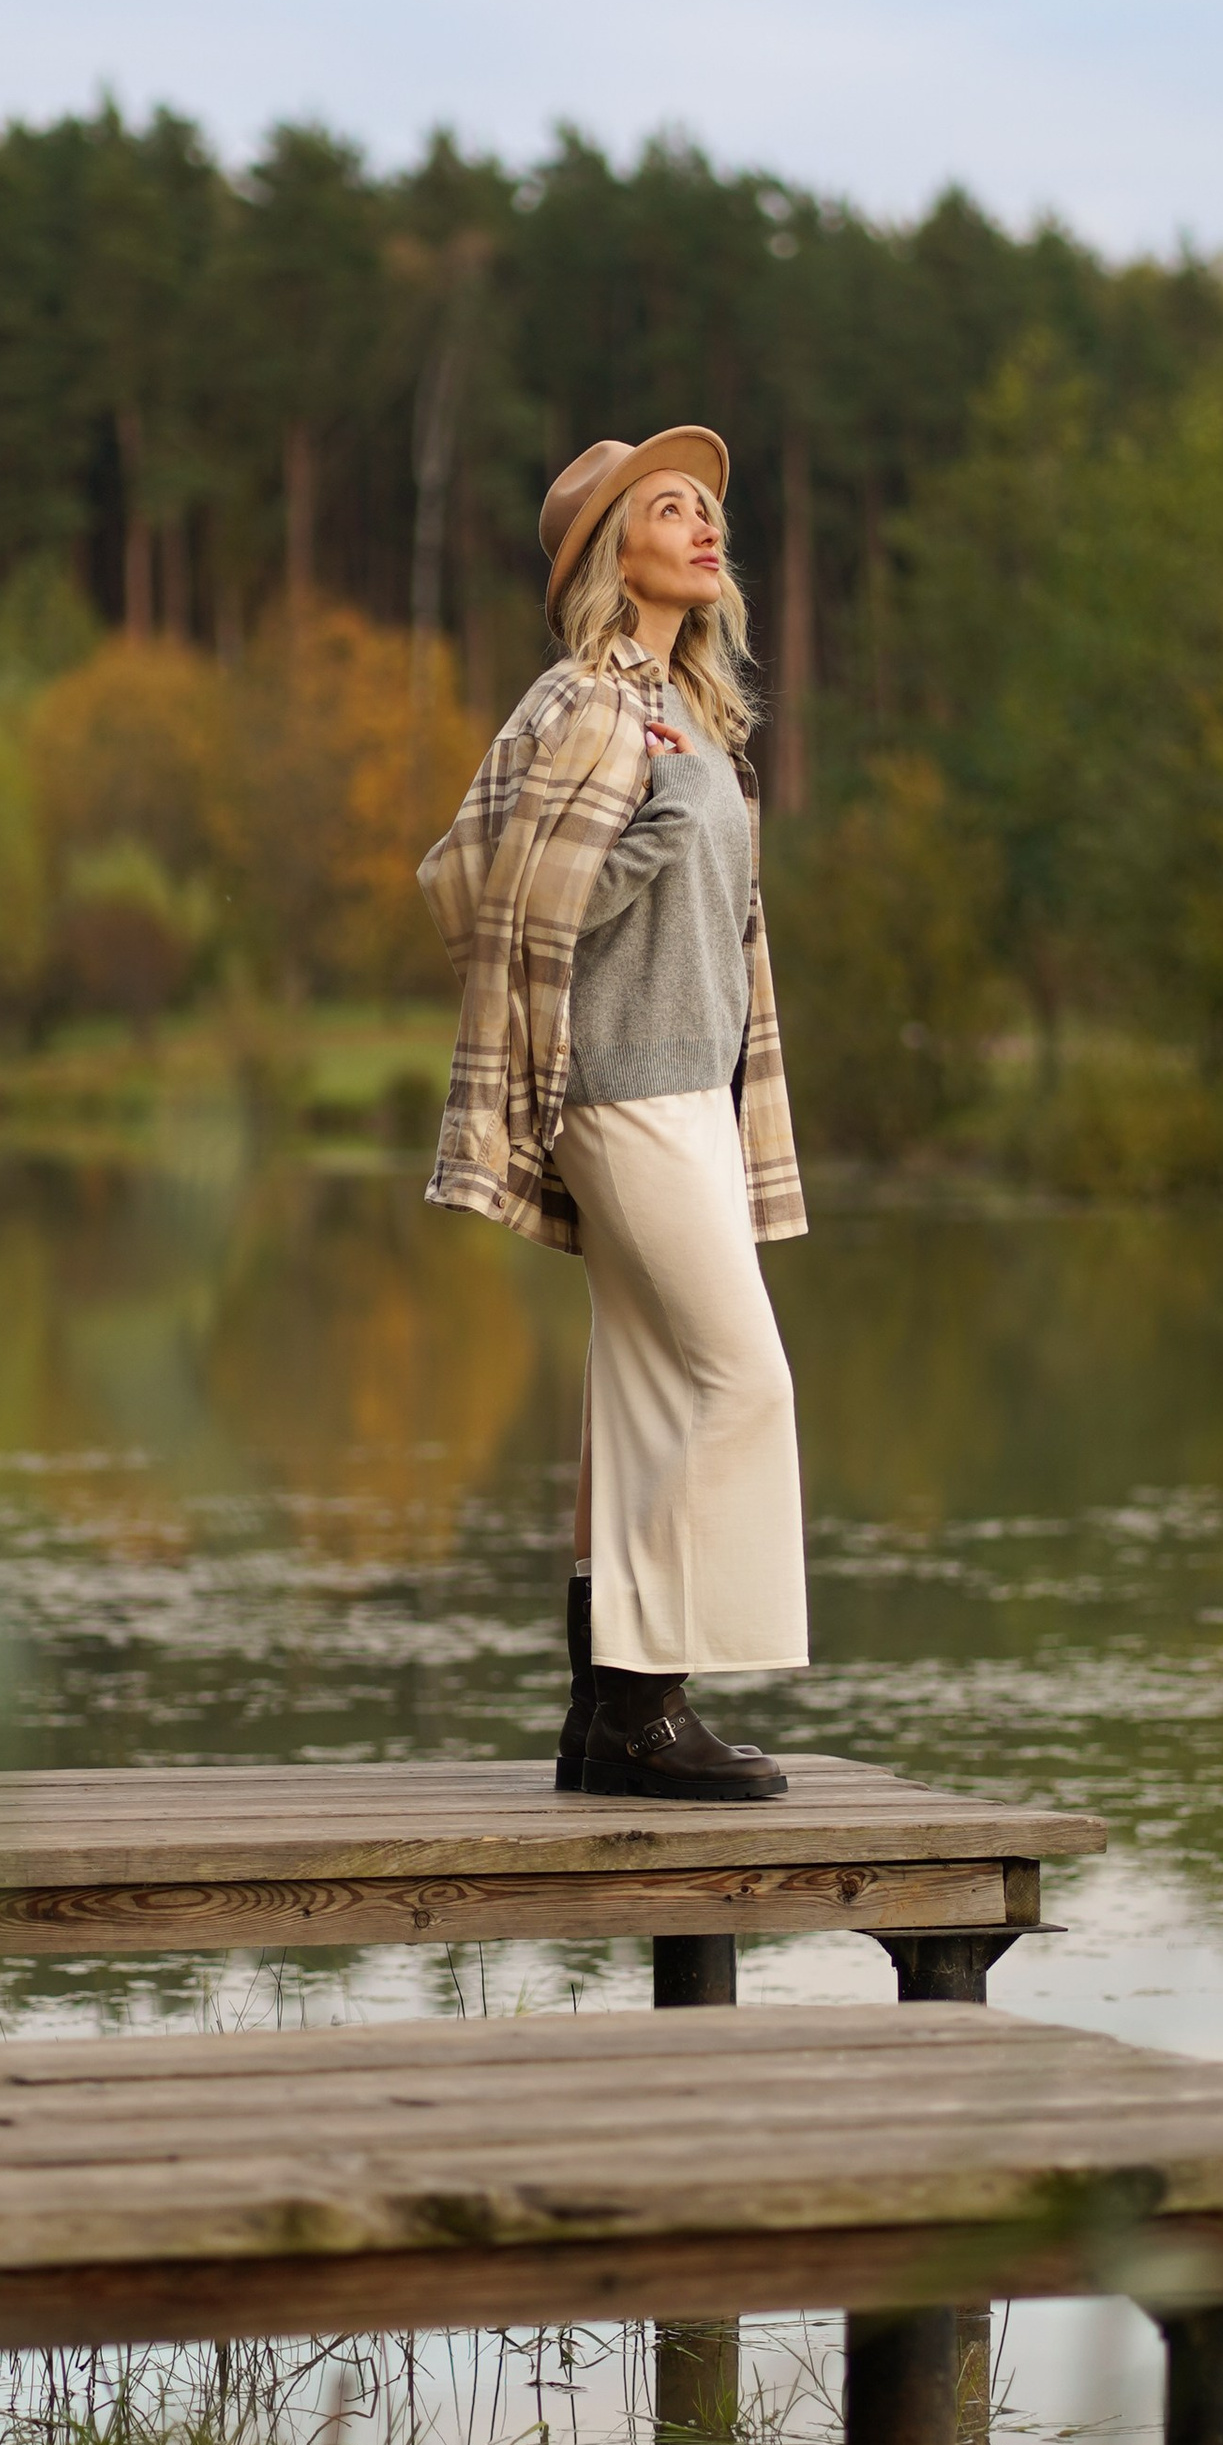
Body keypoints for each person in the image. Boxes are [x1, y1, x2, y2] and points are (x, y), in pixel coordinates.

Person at [417, 427, 807, 1800]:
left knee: (650, 1401)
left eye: (709, 505)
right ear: (608, 553)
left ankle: (605, 1730)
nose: (705, 526)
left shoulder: (694, 709)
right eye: (668, 508)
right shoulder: (587, 699)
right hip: (623, 1090)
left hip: (698, 1091)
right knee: (741, 1382)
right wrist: (644, 846)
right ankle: (646, 1707)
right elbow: (478, 892)